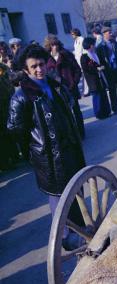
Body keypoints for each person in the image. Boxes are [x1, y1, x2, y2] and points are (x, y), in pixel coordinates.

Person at [7, 44, 86, 249]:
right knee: (58, 198)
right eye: (34, 67)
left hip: (68, 149)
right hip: (48, 156)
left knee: (76, 189)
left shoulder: (54, 85)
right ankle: (67, 236)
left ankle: (81, 229)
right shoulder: (21, 96)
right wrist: (34, 149)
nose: (39, 70)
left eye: (41, 64)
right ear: (26, 70)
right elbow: (15, 129)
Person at [45, 36, 85, 138]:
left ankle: (81, 132)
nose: (55, 47)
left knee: (76, 110)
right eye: (52, 45)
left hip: (70, 87)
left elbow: (77, 69)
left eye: (56, 44)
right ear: (49, 46)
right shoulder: (46, 59)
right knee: (65, 113)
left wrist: (74, 82)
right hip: (57, 90)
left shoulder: (66, 55)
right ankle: (71, 134)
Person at [96, 26, 117, 112]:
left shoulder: (115, 43)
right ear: (104, 34)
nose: (111, 34)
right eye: (109, 33)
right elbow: (100, 61)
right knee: (112, 90)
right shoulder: (100, 47)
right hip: (109, 71)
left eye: (111, 32)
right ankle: (115, 108)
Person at [81, 37, 111, 119]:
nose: (94, 46)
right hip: (92, 80)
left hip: (100, 77)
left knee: (103, 94)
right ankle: (98, 113)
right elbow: (86, 69)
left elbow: (101, 62)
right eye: (93, 44)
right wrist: (96, 69)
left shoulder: (95, 53)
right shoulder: (84, 56)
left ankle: (106, 111)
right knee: (96, 96)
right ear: (90, 45)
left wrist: (102, 66)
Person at [0, 63, 18, 170]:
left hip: (5, 105)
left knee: (6, 134)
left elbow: (7, 72)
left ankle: (12, 158)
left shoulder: (3, 70)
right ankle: (6, 162)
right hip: (4, 105)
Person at [71, 28, 89, 96]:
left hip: (82, 60)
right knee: (83, 76)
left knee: (85, 75)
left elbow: (84, 50)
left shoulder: (81, 39)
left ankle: (86, 91)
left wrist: (84, 60)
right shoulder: (75, 41)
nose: (72, 36)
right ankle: (85, 90)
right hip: (78, 61)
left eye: (73, 34)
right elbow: (76, 51)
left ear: (76, 33)